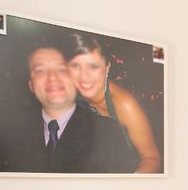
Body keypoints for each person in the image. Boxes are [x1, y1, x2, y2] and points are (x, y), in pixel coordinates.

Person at [0, 46, 137, 174]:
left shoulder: (107, 134)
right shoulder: (8, 137)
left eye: (62, 69)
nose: (52, 77)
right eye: (40, 71)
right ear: (31, 86)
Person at [65, 33, 162, 173]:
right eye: (76, 66)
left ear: (107, 67)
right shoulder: (70, 97)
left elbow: (152, 159)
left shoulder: (125, 105)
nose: (84, 76)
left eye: (93, 66)